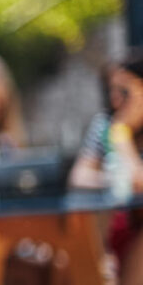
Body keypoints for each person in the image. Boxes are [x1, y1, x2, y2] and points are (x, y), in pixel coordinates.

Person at [69, 51, 143, 284]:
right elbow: (79, 176)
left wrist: (122, 135)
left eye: (124, 91)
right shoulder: (104, 124)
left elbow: (140, 183)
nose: (115, 99)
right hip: (113, 226)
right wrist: (114, 181)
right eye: (111, 90)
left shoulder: (117, 130)